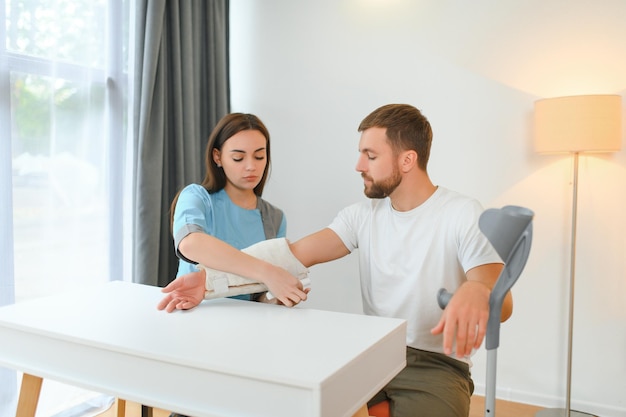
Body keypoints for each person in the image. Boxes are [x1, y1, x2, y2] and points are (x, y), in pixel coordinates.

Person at [158, 104, 512, 417]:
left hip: (437, 365)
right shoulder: (361, 216)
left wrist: (477, 292)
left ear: (407, 159)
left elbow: (498, 292)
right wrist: (209, 281)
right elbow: (291, 255)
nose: (358, 165)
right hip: (373, 355)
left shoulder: (461, 212)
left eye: (370, 155)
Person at [167, 112, 309, 309]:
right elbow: (190, 244)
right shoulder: (197, 198)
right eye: (238, 158)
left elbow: (258, 294)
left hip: (246, 325)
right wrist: (267, 272)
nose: (251, 166)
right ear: (218, 157)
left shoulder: (274, 218)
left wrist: (277, 297)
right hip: (194, 315)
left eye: (259, 156)